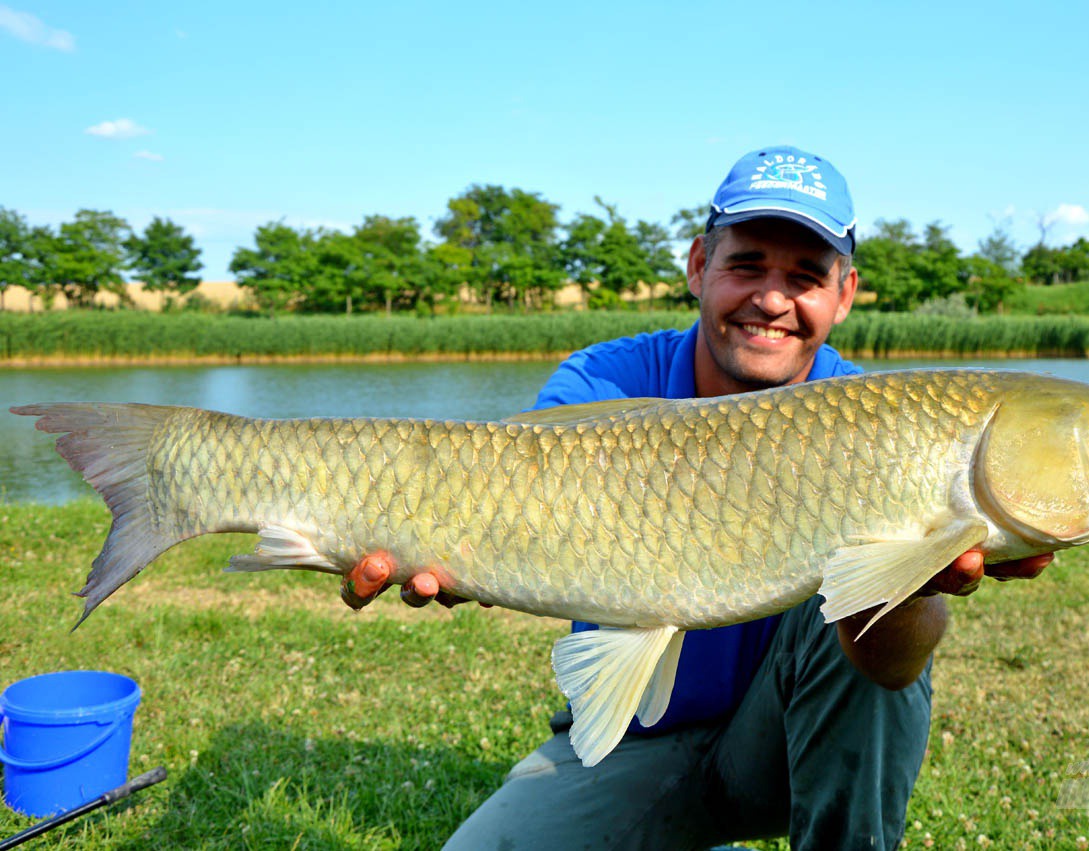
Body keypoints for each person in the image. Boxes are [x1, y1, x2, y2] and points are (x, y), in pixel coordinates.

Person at [341, 145, 1053, 850]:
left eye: (805, 276)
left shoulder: (879, 418)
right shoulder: (604, 382)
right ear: (698, 266)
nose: (771, 299)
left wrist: (907, 589)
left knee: (865, 600)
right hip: (632, 739)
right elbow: (506, 502)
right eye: (746, 265)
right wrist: (451, 547)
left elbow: (892, 672)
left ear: (845, 293)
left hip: (780, 742)